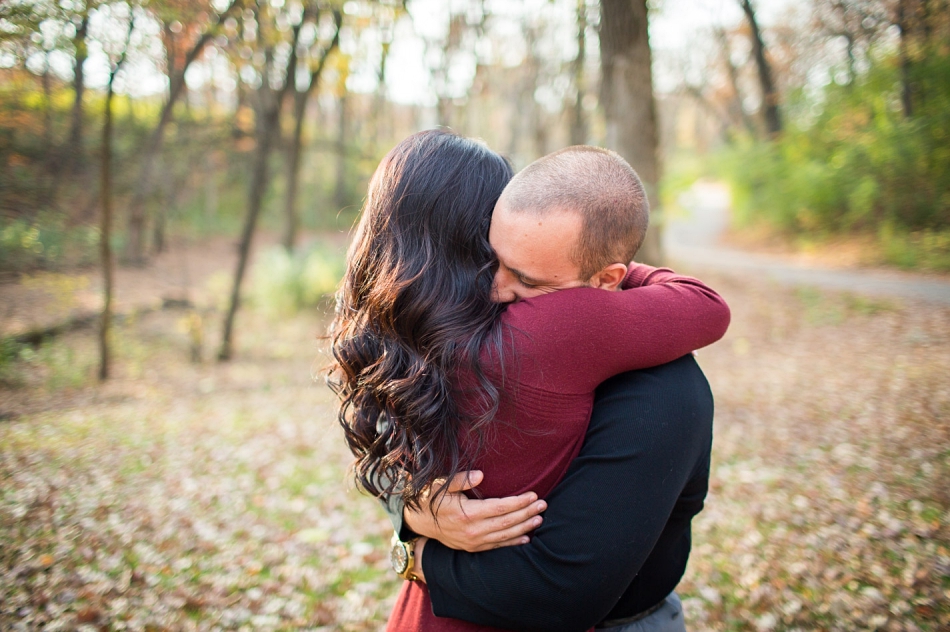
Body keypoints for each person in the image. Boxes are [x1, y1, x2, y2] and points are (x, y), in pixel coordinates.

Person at [328, 131, 730, 631]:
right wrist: (411, 513)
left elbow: (555, 589)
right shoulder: (470, 342)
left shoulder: (404, 348)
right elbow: (708, 305)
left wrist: (414, 548)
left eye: (527, 276)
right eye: (490, 256)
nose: (498, 288)